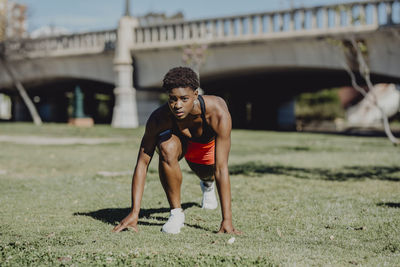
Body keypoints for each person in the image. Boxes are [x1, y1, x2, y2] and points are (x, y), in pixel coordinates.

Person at [113, 67, 240, 234]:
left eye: (184, 99)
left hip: (205, 148)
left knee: (206, 173)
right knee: (166, 147)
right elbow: (142, 163)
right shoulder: (159, 118)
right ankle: (176, 214)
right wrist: (134, 213)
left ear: (195, 95)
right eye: (172, 99)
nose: (177, 105)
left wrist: (227, 220)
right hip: (181, 143)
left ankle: (207, 185)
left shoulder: (217, 113)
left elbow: (221, 168)